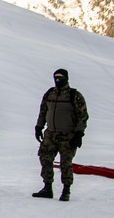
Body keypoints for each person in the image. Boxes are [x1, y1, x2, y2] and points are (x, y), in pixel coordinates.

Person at [33, 68, 88, 202]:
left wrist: (79, 134)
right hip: (50, 133)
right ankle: (47, 187)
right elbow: (43, 111)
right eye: (56, 77)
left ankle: (66, 190)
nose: (58, 80)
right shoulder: (49, 93)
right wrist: (39, 126)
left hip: (68, 135)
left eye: (60, 78)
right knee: (45, 158)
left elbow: (83, 116)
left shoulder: (74, 95)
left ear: (66, 78)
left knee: (66, 163)